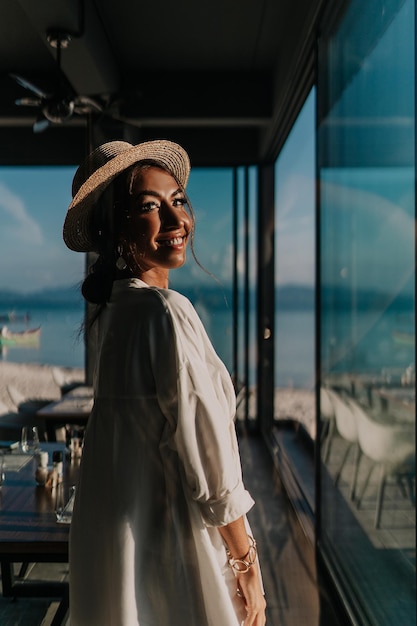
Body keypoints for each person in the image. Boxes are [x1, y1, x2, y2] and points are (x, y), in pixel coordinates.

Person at [63, 139, 266, 626]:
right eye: (150, 207)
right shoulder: (164, 313)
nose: (177, 222)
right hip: (174, 549)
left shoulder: (118, 313)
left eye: (177, 201)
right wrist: (246, 562)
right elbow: (210, 461)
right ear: (116, 229)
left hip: (121, 549)